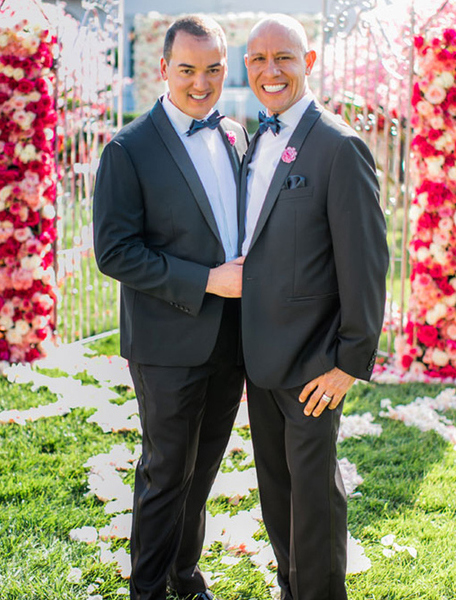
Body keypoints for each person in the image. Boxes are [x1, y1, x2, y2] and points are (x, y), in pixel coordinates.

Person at [93, 15, 248, 600]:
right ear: (163, 69)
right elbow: (115, 252)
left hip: (230, 341)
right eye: (187, 70)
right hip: (166, 342)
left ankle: (186, 578)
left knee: (203, 471)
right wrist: (207, 280)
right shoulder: (127, 149)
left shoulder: (236, 134)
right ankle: (149, 590)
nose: (201, 83)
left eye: (212, 69)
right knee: (165, 474)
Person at [239, 14, 389, 600]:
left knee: (314, 501)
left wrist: (350, 362)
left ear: (310, 62)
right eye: (257, 59)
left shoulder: (339, 146)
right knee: (276, 493)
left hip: (314, 364)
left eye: (284, 57)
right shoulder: (259, 140)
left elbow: (367, 262)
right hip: (260, 357)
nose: (270, 70)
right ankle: (289, 587)